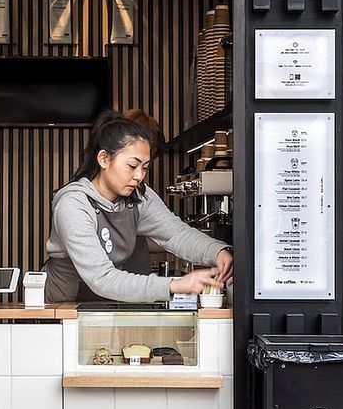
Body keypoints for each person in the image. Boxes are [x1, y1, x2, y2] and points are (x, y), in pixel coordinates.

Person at [43, 110, 233, 303]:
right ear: (104, 159)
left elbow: (175, 234)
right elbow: (102, 277)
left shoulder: (139, 195)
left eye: (145, 167)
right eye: (132, 166)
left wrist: (217, 251)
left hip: (107, 304)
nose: (139, 176)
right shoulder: (73, 203)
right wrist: (173, 285)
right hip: (63, 307)